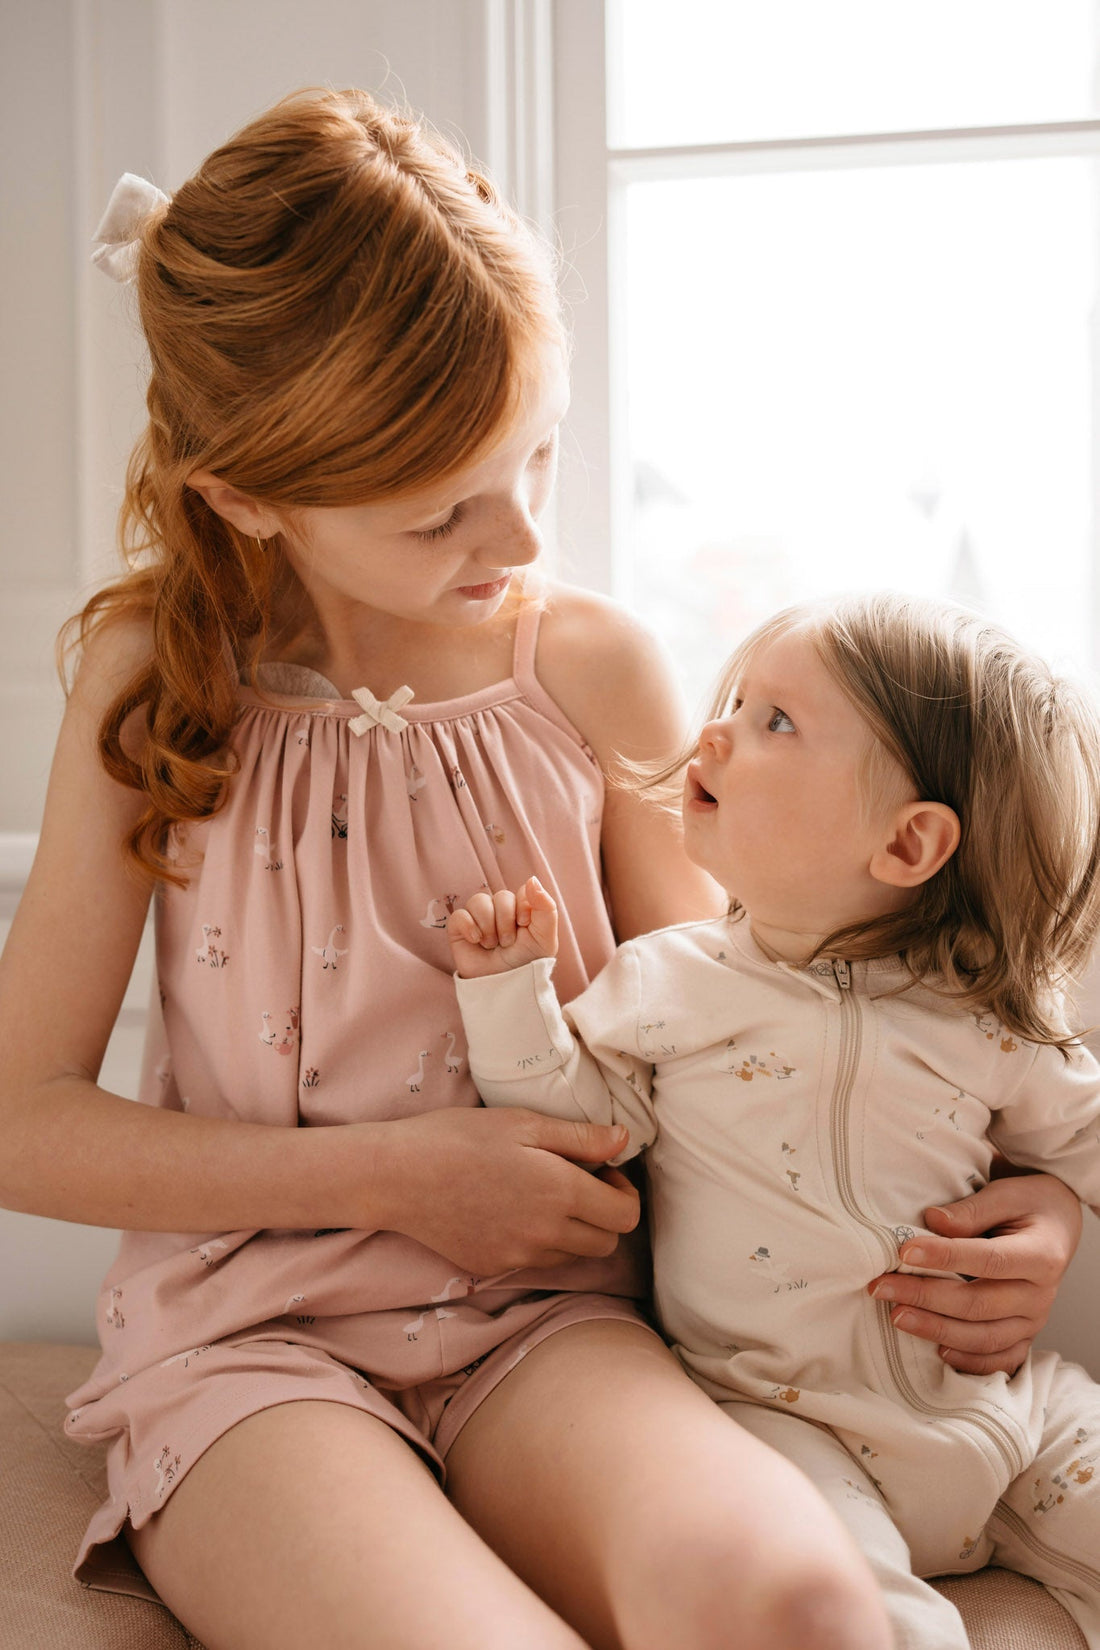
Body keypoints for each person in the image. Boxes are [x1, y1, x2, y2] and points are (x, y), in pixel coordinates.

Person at [0, 89, 1078, 1650]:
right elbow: (22, 1121)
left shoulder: (590, 669)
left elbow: (769, 1015)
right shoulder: (147, 675)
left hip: (563, 1327)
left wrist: (1036, 1194)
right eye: (440, 506)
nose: (515, 531)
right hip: (251, 1353)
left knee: (803, 1611)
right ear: (246, 494)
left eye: (539, 456)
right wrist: (390, 1174)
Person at [447, 590, 1100, 1649]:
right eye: (738, 700)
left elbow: (1083, 1138)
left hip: (1011, 1415)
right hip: (783, 1423)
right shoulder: (669, 981)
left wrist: (1060, 1209)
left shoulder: (976, 1010)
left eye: (774, 722)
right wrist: (506, 994)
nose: (715, 731)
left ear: (908, 845)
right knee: (868, 1621)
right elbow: (573, 1123)